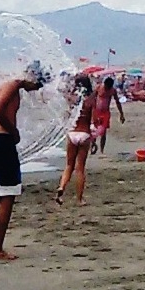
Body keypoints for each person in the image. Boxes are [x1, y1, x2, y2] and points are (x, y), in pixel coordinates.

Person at [0, 60, 50, 263]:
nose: (35, 89)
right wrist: (13, 131)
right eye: (37, 85)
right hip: (1, 143)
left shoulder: (3, 86)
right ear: (32, 77)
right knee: (4, 195)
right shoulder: (14, 84)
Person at [55, 75, 95, 206]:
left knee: (68, 166)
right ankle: (79, 199)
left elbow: (67, 115)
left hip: (72, 132)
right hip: (84, 133)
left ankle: (61, 188)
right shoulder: (91, 99)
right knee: (80, 169)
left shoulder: (72, 98)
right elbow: (92, 120)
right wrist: (93, 140)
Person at [92, 76, 125, 154]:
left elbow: (117, 102)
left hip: (105, 113)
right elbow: (92, 98)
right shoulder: (99, 87)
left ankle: (102, 150)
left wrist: (121, 114)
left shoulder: (112, 91)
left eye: (108, 88)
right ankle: (93, 146)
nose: (107, 89)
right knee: (94, 130)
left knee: (103, 132)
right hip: (96, 111)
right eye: (106, 87)